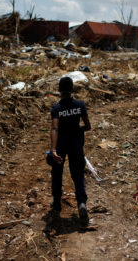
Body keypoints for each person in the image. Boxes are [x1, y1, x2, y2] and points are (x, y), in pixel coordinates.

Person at [49, 76, 91, 224]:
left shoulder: (56, 108)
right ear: (72, 89)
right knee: (78, 174)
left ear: (59, 90)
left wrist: (53, 149)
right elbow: (88, 126)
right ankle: (81, 203)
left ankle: (57, 202)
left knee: (57, 172)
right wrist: (78, 129)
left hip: (61, 144)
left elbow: (55, 128)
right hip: (76, 144)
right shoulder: (80, 105)